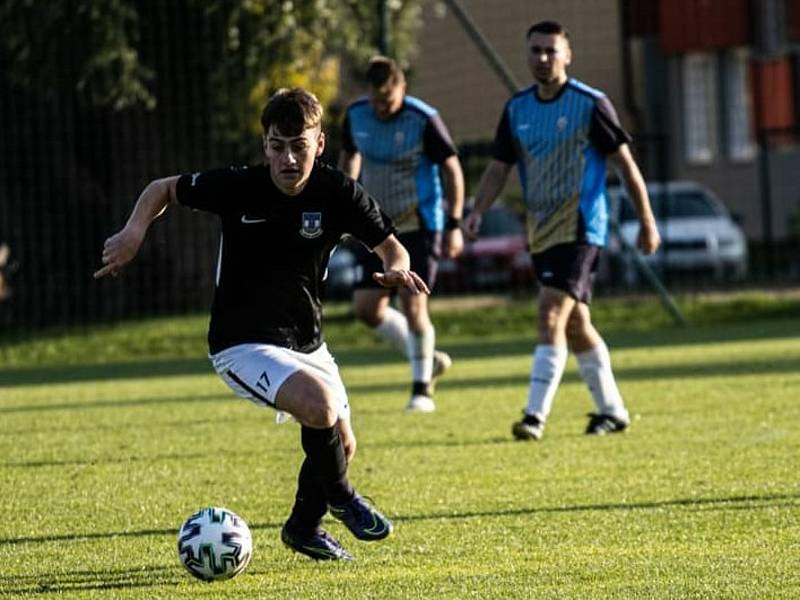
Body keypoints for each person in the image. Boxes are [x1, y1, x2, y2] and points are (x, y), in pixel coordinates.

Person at [94, 88, 431, 561]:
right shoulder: (240, 186)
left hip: (308, 342)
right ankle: (342, 499)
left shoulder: (338, 192)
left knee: (340, 443)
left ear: (319, 144)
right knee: (320, 408)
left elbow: (391, 245)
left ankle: (303, 527)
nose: (288, 158)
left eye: (299, 145)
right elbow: (162, 189)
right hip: (242, 342)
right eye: (277, 146)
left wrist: (396, 267)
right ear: (265, 145)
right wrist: (134, 232)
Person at [464, 20, 661, 440]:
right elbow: (500, 166)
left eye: (551, 51)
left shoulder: (591, 104)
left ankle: (534, 416)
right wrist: (477, 210)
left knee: (550, 312)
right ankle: (613, 410)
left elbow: (625, 165)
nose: (543, 58)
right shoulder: (517, 109)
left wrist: (646, 220)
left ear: (568, 55)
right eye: (536, 50)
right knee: (576, 325)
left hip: (582, 227)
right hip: (541, 231)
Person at [338, 56, 465, 413]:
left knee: (413, 305)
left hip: (420, 225)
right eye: (376, 99)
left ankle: (421, 389)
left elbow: (452, 169)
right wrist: (345, 203)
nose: (381, 107)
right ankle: (427, 357)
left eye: (389, 100)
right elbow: (349, 159)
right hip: (376, 228)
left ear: (402, 89)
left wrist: (454, 224)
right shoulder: (356, 115)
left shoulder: (423, 119)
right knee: (365, 310)